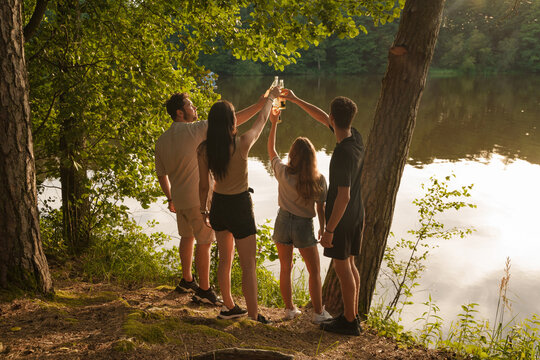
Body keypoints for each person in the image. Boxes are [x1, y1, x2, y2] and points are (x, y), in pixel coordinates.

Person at [155, 92, 268, 306]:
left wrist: (170, 197)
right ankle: (204, 290)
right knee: (205, 243)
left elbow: (161, 174)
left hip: (178, 199)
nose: (195, 108)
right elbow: (230, 121)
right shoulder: (195, 129)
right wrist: (261, 104)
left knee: (186, 237)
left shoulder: (162, 140)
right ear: (180, 112)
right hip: (198, 200)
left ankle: (187, 279)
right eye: (190, 105)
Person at [282, 90, 364, 336]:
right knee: (350, 263)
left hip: (344, 216)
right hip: (358, 212)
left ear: (332, 117)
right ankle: (353, 315)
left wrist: (329, 229)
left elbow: (343, 195)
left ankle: (349, 321)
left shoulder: (342, 154)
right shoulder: (355, 138)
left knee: (342, 267)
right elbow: (322, 117)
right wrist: (296, 99)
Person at [197, 86, 281, 324]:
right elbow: (263, 119)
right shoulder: (242, 143)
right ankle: (254, 316)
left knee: (225, 260)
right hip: (240, 206)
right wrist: (270, 99)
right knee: (248, 266)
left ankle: (229, 306)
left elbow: (204, 186)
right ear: (232, 122)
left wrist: (204, 210)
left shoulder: (204, 150)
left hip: (219, 206)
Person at [266, 108, 333, 324]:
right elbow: (320, 208)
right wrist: (323, 228)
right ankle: (318, 313)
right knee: (314, 272)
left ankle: (289, 309)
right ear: (312, 157)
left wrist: (274, 123)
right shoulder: (319, 179)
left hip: (283, 221)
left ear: (292, 155)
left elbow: (271, 150)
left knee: (286, 267)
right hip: (305, 225)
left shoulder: (283, 173)